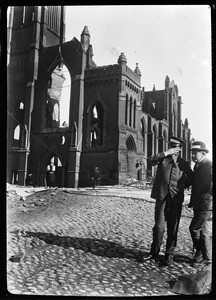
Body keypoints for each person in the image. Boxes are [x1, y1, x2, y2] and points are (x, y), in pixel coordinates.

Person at [144, 136, 193, 266]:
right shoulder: (163, 159)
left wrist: (182, 185)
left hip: (176, 198)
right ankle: (154, 252)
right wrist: (166, 153)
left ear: (180, 148)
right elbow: (150, 160)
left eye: (175, 146)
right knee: (159, 227)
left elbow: (192, 177)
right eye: (170, 145)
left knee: (173, 227)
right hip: (162, 197)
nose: (172, 147)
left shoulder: (183, 163)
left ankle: (169, 254)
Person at [188, 141, 212, 266]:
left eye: (195, 153)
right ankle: (207, 257)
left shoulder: (209, 165)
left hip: (206, 205)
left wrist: (210, 194)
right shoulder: (197, 166)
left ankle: (200, 252)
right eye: (192, 153)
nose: (192, 155)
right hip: (199, 204)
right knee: (204, 231)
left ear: (202, 153)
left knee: (194, 228)